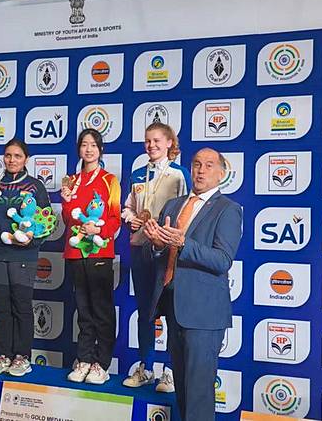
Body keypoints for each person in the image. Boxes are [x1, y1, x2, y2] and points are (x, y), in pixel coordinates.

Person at [144, 148, 242, 421]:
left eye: (209, 165)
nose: (201, 170)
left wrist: (183, 243)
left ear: (221, 173)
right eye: (197, 164)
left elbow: (222, 260)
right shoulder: (173, 206)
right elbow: (163, 254)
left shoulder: (228, 210)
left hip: (204, 314)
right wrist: (157, 245)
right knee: (183, 391)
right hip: (173, 306)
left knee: (198, 393)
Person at [121, 123, 190, 392]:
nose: (151, 145)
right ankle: (145, 367)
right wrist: (132, 219)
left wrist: (167, 235)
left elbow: (185, 212)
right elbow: (127, 207)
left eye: (157, 140)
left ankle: (170, 371)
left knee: (171, 312)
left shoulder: (179, 174)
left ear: (170, 142)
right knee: (145, 313)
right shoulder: (138, 174)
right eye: (147, 140)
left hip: (166, 252)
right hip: (140, 250)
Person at [0, 138, 52, 377]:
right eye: (8, 155)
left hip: (24, 255)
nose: (12, 160)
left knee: (20, 306)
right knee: (2, 307)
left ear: (25, 159)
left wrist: (33, 240)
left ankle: (21, 356)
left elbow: (47, 222)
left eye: (17, 156)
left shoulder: (35, 185)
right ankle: (3, 355)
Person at [61, 128, 121, 385]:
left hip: (99, 251)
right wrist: (65, 202)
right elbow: (67, 219)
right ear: (79, 149)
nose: (88, 149)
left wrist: (99, 229)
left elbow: (115, 219)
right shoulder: (70, 181)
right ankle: (84, 359)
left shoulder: (110, 180)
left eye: (93, 145)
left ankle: (101, 363)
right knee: (83, 310)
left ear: (100, 149)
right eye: (84, 145)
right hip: (75, 252)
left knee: (102, 310)